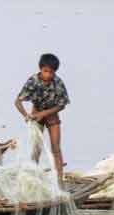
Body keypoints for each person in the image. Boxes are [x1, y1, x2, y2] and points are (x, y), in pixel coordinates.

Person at [15, 53, 70, 186]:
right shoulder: (33, 81)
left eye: (51, 72)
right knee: (36, 148)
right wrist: (26, 115)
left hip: (51, 114)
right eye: (45, 71)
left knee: (56, 148)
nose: (48, 75)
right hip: (36, 113)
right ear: (40, 69)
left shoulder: (58, 82)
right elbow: (18, 101)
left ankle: (59, 180)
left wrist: (44, 113)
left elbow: (62, 105)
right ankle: (32, 179)